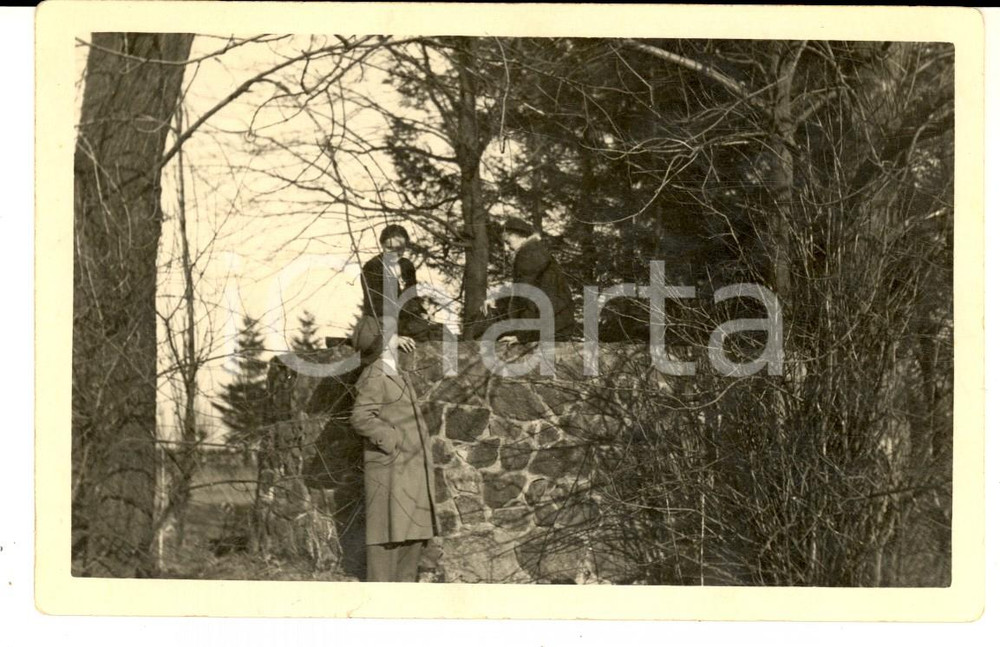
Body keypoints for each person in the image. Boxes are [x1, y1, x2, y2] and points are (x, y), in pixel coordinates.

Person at [349, 316, 438, 582]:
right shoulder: (375, 374)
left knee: (410, 536)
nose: (398, 338)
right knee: (387, 540)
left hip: (407, 471)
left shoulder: (391, 369)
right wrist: (392, 439)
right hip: (391, 469)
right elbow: (360, 417)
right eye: (392, 334)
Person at [483, 216, 575, 343]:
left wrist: (522, 336)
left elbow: (528, 298)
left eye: (508, 242)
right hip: (558, 325)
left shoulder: (528, 254)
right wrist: (497, 302)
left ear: (520, 236)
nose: (506, 248)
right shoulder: (536, 251)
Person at [359, 224, 441, 347]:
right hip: (381, 323)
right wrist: (392, 338)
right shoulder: (372, 268)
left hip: (406, 322)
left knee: (441, 333)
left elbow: (412, 298)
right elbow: (375, 307)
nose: (395, 253)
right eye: (389, 248)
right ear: (382, 245)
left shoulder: (407, 266)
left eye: (400, 249)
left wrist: (422, 313)